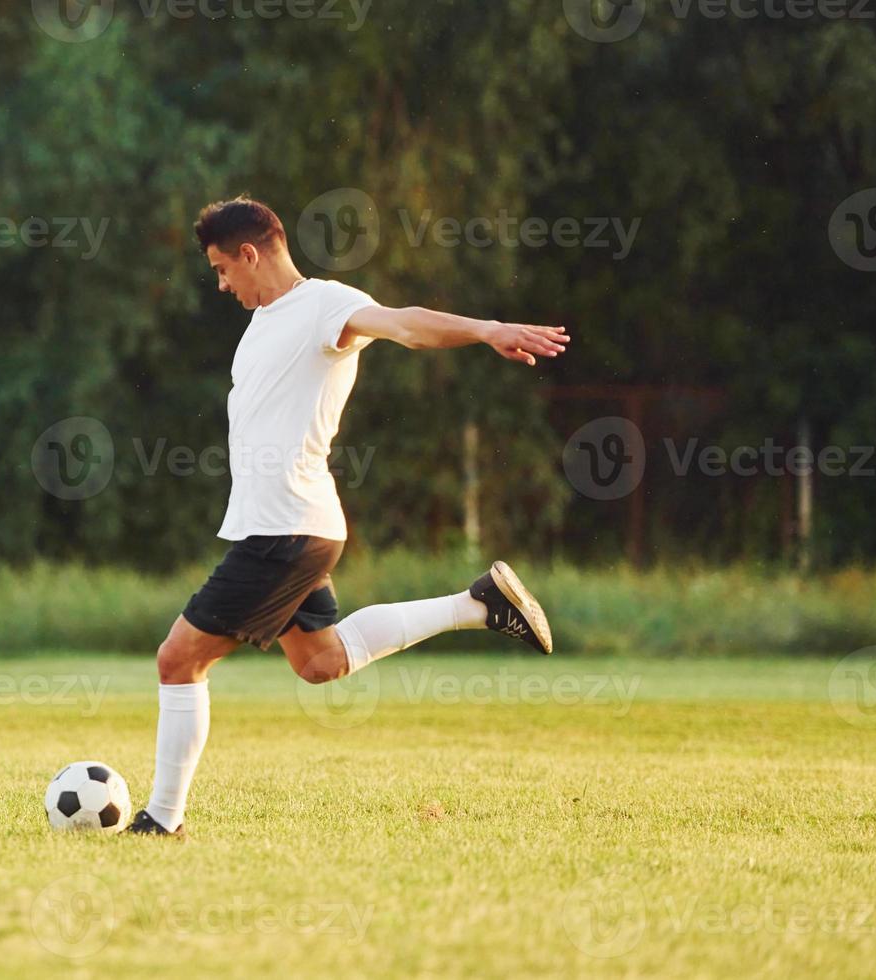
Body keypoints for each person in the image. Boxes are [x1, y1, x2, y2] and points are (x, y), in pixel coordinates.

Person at [127, 197, 568, 838]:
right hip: (287, 526)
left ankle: (162, 822)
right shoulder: (263, 322)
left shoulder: (325, 306)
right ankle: (479, 604)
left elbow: (405, 323)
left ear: (251, 254)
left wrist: (487, 328)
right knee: (320, 663)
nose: (222, 284)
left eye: (224, 269)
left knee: (179, 660)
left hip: (288, 531)